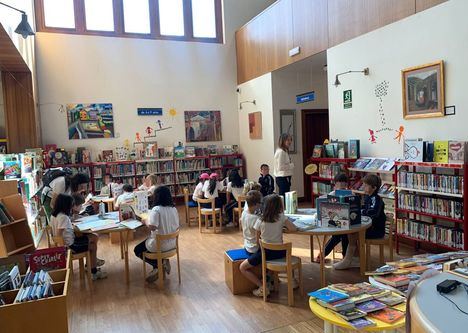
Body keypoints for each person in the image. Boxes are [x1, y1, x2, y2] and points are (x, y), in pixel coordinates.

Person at [240, 194, 297, 297]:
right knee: (287, 257)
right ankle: (291, 281)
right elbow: (293, 228)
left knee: (242, 267)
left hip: (265, 253)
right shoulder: (281, 217)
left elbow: (258, 241)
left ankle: (262, 287)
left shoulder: (260, 220)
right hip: (280, 253)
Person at [334, 174, 386, 270]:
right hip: (369, 227)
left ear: (374, 188)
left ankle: (349, 259)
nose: (363, 187)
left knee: (352, 234)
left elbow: (373, 213)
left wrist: (361, 212)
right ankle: (353, 259)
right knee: (349, 233)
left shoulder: (377, 200)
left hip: (375, 230)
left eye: (366, 185)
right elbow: (364, 209)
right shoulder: (368, 197)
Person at [50, 194, 106, 280]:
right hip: (71, 245)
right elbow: (59, 236)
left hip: (69, 243)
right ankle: (93, 271)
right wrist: (66, 249)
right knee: (93, 246)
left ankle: (91, 264)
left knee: (93, 237)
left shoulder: (55, 215)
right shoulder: (63, 217)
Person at [134, 186, 180, 283]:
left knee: (137, 250)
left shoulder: (156, 209)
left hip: (159, 245)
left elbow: (152, 227)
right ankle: (162, 262)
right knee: (147, 243)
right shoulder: (174, 209)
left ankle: (158, 265)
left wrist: (145, 221)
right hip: (173, 244)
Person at [315, 173, 350, 262]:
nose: (342, 185)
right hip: (335, 221)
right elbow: (325, 207)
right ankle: (326, 254)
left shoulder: (350, 193)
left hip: (348, 221)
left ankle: (344, 256)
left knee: (343, 235)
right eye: (340, 183)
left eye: (344, 183)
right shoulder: (332, 194)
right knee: (339, 236)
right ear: (335, 184)